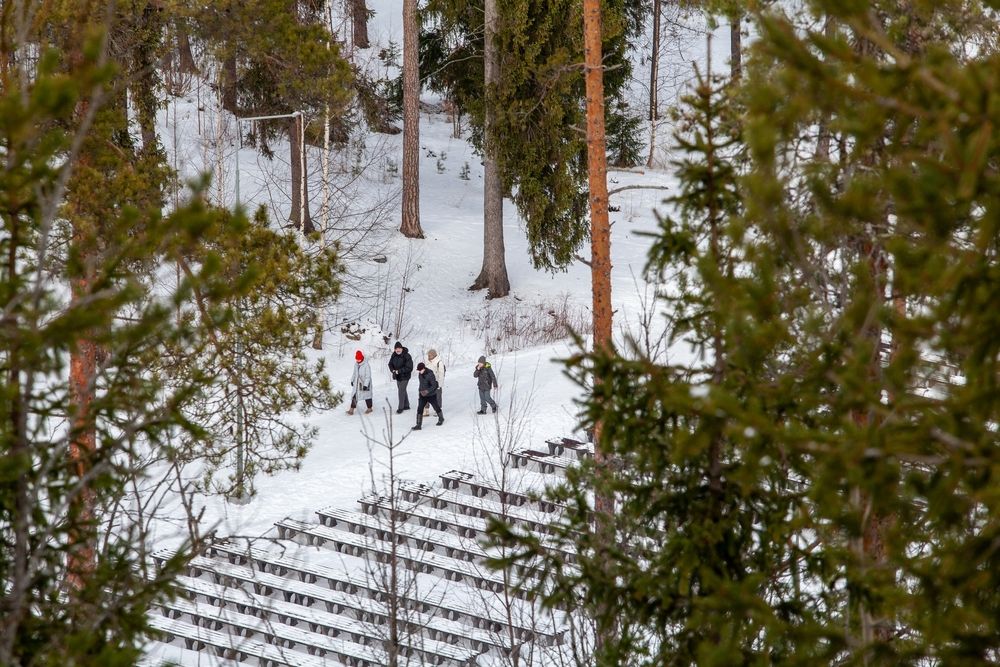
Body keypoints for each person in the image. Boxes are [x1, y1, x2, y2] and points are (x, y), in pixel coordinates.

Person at [412, 362, 444, 430]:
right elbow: (421, 384)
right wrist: (420, 391)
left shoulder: (430, 374)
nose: (420, 372)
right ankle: (418, 425)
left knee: (436, 407)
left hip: (431, 395)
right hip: (422, 395)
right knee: (420, 408)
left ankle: (441, 418)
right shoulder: (420, 374)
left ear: (424, 368)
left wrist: (427, 391)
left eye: (421, 370)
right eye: (419, 370)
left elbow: (434, 385)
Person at [387, 340, 413, 414]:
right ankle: (406, 405)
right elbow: (390, 364)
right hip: (397, 376)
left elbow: (409, 367)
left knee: (401, 391)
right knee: (402, 390)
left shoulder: (407, 355)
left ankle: (400, 408)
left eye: (399, 348)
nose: (398, 350)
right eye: (396, 349)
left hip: (405, 376)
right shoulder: (394, 355)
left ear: (402, 348)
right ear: (395, 349)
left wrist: (399, 371)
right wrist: (393, 371)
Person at [346, 350, 373, 415]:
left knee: (367, 396)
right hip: (357, 384)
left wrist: (366, 385)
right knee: (355, 395)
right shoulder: (356, 364)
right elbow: (354, 373)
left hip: (365, 383)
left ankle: (369, 408)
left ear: (362, 358)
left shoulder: (366, 365)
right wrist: (352, 380)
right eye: (357, 359)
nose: (358, 360)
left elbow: (368, 376)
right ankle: (351, 409)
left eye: (359, 359)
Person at [422, 348, 445, 417]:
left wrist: (440, 384)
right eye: (428, 355)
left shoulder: (439, 362)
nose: (428, 357)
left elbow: (441, 374)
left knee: (437, 397)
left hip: (436, 382)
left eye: (430, 355)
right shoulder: (427, 362)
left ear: (434, 355)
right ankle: (426, 410)